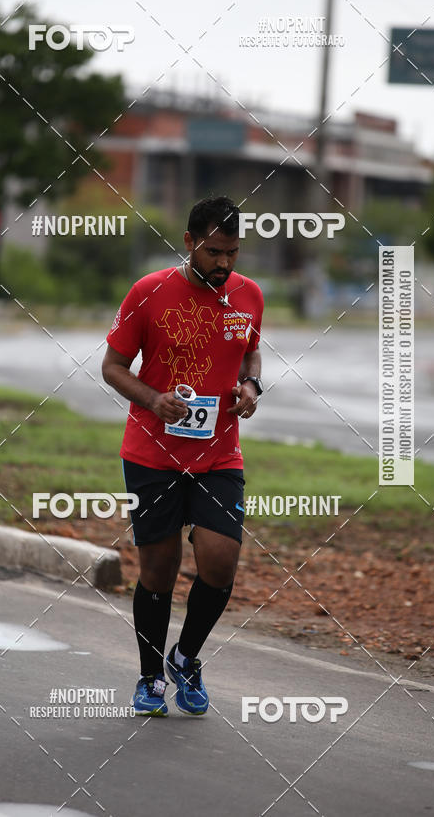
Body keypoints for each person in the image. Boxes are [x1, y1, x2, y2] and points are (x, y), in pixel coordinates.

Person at [101, 196, 264, 717]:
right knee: (159, 569)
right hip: (151, 454)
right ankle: (150, 677)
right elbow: (112, 366)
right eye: (214, 251)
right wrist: (154, 400)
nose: (223, 263)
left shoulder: (249, 295)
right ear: (190, 242)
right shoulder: (148, 292)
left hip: (219, 454)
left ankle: (185, 657)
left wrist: (251, 385)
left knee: (220, 561)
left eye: (232, 252)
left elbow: (251, 352)